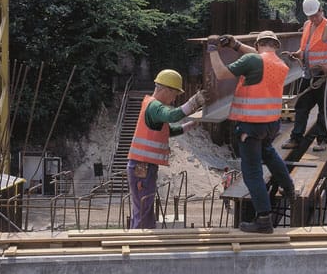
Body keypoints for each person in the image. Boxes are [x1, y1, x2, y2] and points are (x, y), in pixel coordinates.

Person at [207, 31, 296, 234]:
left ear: (257, 45)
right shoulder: (280, 65)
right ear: (276, 46)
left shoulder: (253, 60)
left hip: (250, 125)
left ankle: (264, 219)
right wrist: (236, 44)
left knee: (252, 172)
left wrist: (212, 49)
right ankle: (288, 187)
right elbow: (258, 57)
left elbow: (221, 74)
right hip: (270, 124)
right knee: (269, 153)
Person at [127, 69, 204, 229]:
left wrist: (190, 125)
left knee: (145, 208)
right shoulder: (155, 107)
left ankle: (144, 242)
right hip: (142, 167)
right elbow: (172, 116)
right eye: (174, 93)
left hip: (143, 167)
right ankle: (139, 245)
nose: (175, 98)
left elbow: (169, 130)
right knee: (143, 208)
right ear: (165, 89)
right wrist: (194, 102)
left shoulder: (152, 107)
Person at [282, 0, 327, 152]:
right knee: (301, 106)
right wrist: (297, 54)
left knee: (323, 108)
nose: (314, 19)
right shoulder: (307, 25)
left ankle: (323, 140)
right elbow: (306, 48)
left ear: (321, 10)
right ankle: (296, 137)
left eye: (316, 15)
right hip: (309, 73)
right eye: (311, 16)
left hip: (322, 76)